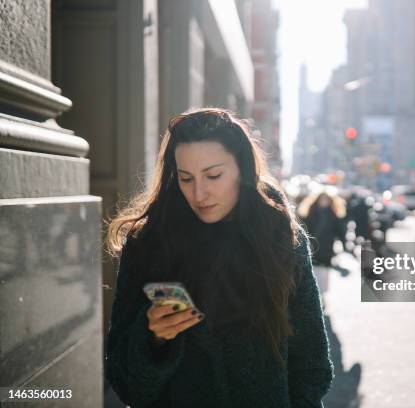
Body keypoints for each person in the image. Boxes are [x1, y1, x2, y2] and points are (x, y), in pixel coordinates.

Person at [104, 108, 333, 407]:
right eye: (186, 178)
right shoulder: (148, 243)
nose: (200, 194)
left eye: (214, 175)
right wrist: (152, 338)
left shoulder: (281, 238)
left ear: (243, 169)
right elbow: (123, 381)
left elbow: (312, 365)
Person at [297, 189, 346, 303]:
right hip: (312, 247)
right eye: (322, 199)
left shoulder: (333, 213)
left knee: (324, 272)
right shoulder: (310, 212)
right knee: (313, 270)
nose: (324, 201)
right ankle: (314, 294)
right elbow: (303, 228)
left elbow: (340, 230)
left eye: (326, 199)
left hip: (327, 248)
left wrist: (344, 245)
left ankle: (322, 295)